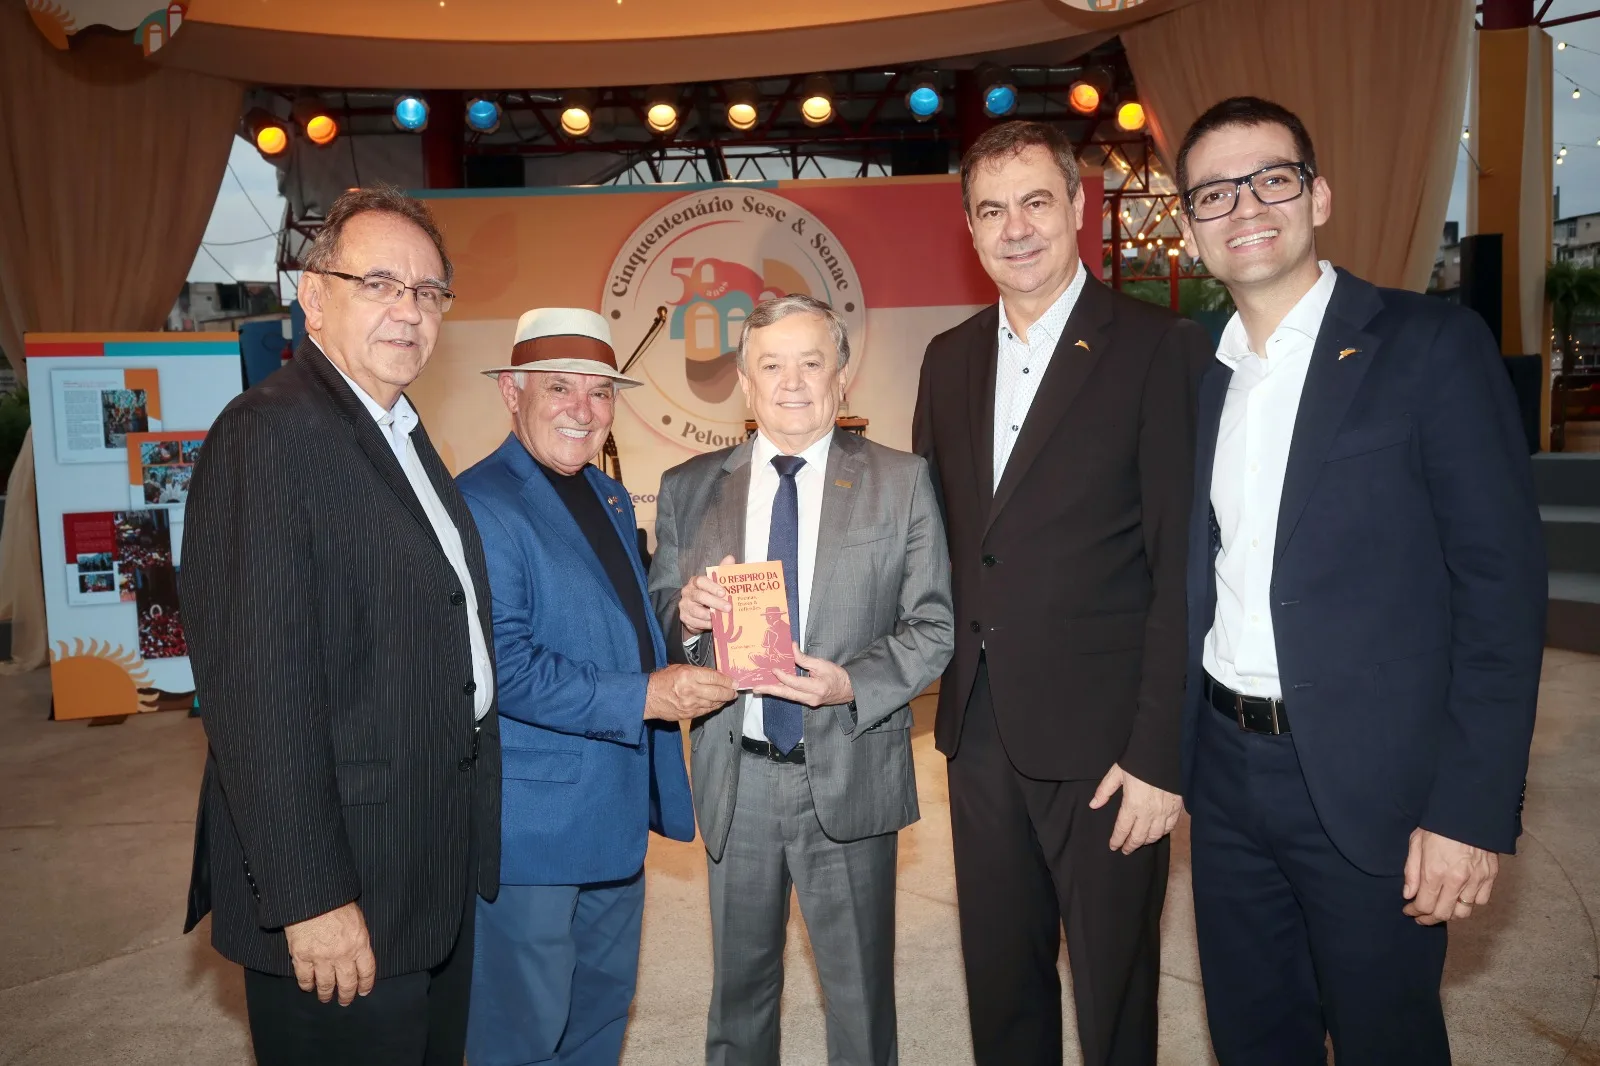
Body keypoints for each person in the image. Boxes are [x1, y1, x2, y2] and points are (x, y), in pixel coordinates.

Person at [1170, 96, 1547, 1065]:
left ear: (1318, 196)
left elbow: (1501, 595)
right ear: (1190, 227)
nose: (1245, 206)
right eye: (1214, 193)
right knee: (1254, 1039)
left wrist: (1468, 810)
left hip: (1373, 783)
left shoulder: (1428, 346)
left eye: (1271, 179)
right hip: (1226, 776)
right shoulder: (1204, 373)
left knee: (1388, 1040)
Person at [912, 120, 1211, 1066]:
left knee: (1115, 995)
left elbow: (1183, 566)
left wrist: (1159, 754)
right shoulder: (947, 358)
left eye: (1037, 201)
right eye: (992, 209)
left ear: (1078, 207)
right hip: (979, 730)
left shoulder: (1159, 347)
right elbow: (931, 543)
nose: (1016, 228)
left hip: (1108, 747)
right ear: (969, 227)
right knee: (1002, 987)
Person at [180, 185, 499, 1066]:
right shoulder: (269, 435)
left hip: (419, 870)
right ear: (313, 298)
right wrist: (310, 898)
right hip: (342, 886)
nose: (410, 310)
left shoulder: (397, 429)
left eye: (428, 291)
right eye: (380, 283)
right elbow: (256, 697)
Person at [651, 293, 954, 1066]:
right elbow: (660, 615)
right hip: (738, 779)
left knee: (859, 1004)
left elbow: (934, 626)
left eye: (811, 363)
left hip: (849, 769)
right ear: (744, 384)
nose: (791, 383)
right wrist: (688, 617)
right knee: (738, 1001)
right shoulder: (689, 486)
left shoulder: (900, 480)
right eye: (771, 365)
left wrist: (851, 685)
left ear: (841, 376)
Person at [459, 308, 733, 1066]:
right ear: (512, 392)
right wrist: (648, 697)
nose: (582, 409)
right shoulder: (480, 503)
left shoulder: (607, 496)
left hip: (614, 808)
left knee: (600, 1011)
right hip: (535, 827)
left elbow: (625, 628)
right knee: (522, 1029)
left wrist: (689, 617)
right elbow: (503, 666)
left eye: (600, 392)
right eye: (559, 388)